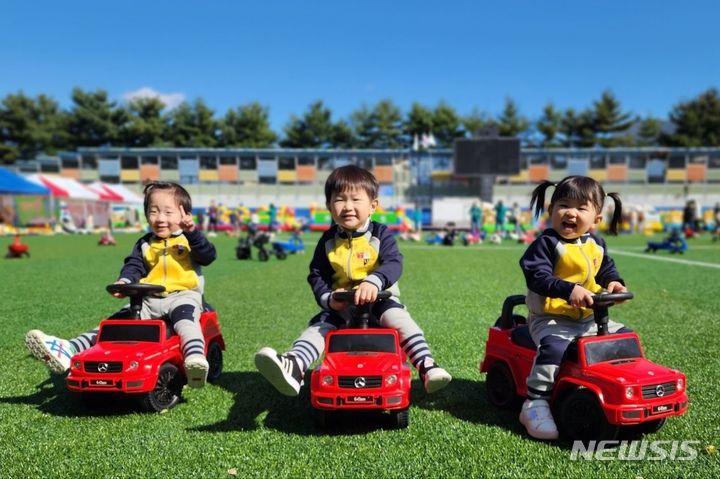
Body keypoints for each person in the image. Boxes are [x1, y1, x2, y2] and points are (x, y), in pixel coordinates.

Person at [254, 165, 451, 396]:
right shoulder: (327, 240)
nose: (348, 206)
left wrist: (374, 281)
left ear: (372, 206)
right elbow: (316, 274)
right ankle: (295, 365)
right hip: (342, 304)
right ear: (329, 206)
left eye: (356, 199)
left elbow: (394, 263)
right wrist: (328, 299)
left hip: (380, 300)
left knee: (400, 319)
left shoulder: (380, 234)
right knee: (319, 327)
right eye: (339, 200)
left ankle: (427, 364)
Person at [24, 181, 217, 387]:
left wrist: (193, 233)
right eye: (153, 212)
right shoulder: (145, 243)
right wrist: (125, 281)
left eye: (168, 213)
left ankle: (195, 359)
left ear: (184, 214)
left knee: (186, 323)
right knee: (114, 325)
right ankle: (69, 349)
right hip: (148, 299)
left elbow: (208, 255)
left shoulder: (190, 239)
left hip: (183, 296)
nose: (160, 218)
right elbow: (133, 266)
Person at [518, 175, 628, 440]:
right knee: (555, 346)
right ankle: (535, 401)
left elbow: (605, 269)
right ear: (551, 211)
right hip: (550, 318)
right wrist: (569, 290)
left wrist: (614, 283)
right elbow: (537, 276)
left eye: (581, 208)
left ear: (596, 219)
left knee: (625, 337)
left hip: (589, 318)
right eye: (564, 205)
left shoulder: (596, 244)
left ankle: (618, 390)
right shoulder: (545, 244)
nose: (570, 213)